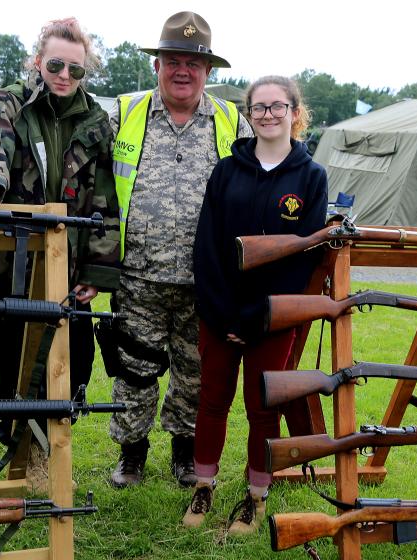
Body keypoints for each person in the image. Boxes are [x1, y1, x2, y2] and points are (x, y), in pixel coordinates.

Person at [0, 18, 120, 469]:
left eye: (76, 69)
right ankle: (21, 452)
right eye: (55, 65)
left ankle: (48, 448)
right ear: (38, 62)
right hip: (9, 266)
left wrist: (96, 271)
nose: (65, 75)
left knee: (76, 362)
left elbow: (104, 199)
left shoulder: (95, 121)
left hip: (67, 267)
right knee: (13, 362)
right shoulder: (9, 103)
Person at [106, 11, 253, 489]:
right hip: (137, 277)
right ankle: (131, 454)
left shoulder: (232, 122)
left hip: (205, 283)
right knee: (133, 371)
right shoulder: (123, 114)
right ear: (157, 66)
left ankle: (185, 453)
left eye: (193, 62)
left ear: (208, 70)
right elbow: (85, 181)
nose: (182, 71)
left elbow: (260, 185)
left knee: (196, 374)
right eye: (173, 60)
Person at [183, 75, 328, 534]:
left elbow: (303, 258)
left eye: (276, 106)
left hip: (273, 317)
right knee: (212, 400)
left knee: (263, 408)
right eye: (259, 107)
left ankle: (256, 496)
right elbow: (207, 247)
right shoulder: (226, 170)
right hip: (220, 312)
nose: (267, 115)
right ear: (249, 115)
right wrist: (223, 311)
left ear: (294, 112)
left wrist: (259, 315)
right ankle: (203, 487)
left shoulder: (312, 177)